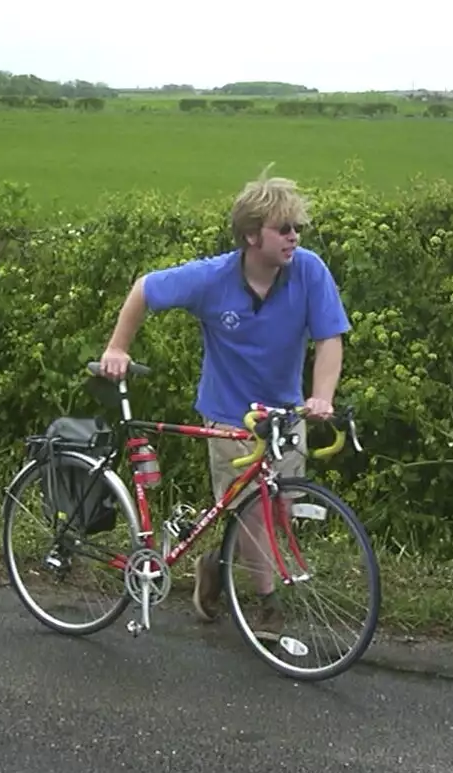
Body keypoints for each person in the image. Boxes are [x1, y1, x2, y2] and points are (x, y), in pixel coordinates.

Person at [98, 166, 349, 640]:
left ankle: (215, 564)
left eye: (298, 228)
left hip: (285, 414)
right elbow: (145, 289)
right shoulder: (212, 279)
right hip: (230, 418)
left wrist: (322, 397)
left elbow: (330, 339)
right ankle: (268, 606)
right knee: (254, 514)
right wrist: (117, 348)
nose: (295, 237)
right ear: (253, 236)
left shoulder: (309, 271)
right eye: (285, 229)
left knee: (281, 509)